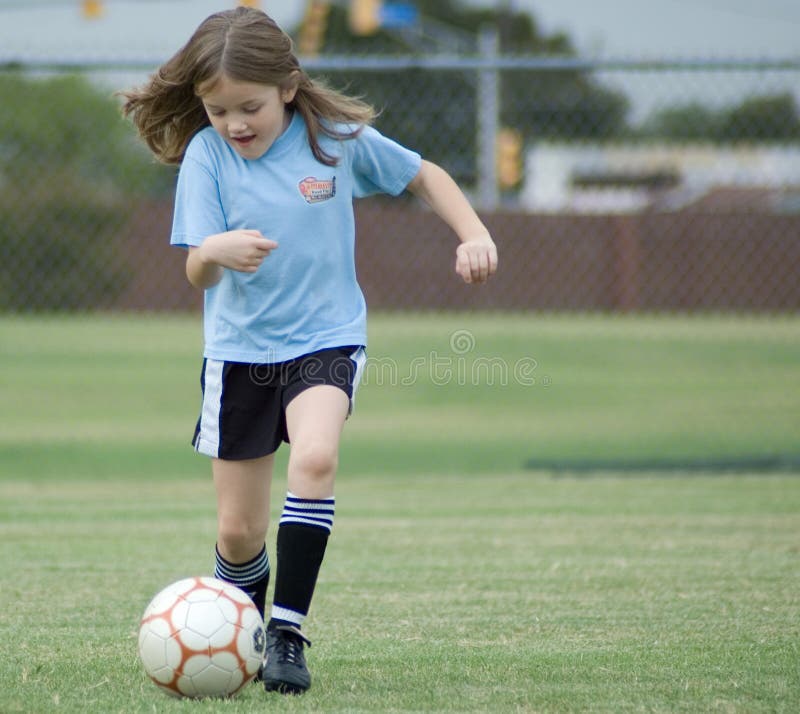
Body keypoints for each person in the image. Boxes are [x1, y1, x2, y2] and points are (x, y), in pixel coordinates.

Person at [121, 6, 497, 696]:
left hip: (326, 339)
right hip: (238, 354)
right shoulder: (207, 156)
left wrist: (472, 232)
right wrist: (213, 251)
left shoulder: (333, 141)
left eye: (249, 106)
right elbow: (194, 273)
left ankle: (288, 633)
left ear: (288, 87)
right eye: (217, 108)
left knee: (316, 456)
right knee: (237, 534)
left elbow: (425, 175)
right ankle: (241, 624)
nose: (234, 123)